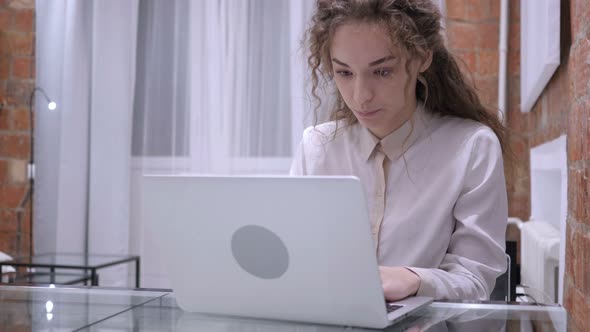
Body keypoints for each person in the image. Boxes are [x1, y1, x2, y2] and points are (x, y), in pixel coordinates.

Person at [290, 0, 509, 301]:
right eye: (344, 73)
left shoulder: (472, 148)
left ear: (422, 58)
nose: (361, 96)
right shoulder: (315, 147)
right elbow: (293, 260)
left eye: (382, 72)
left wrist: (416, 279)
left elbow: (476, 279)